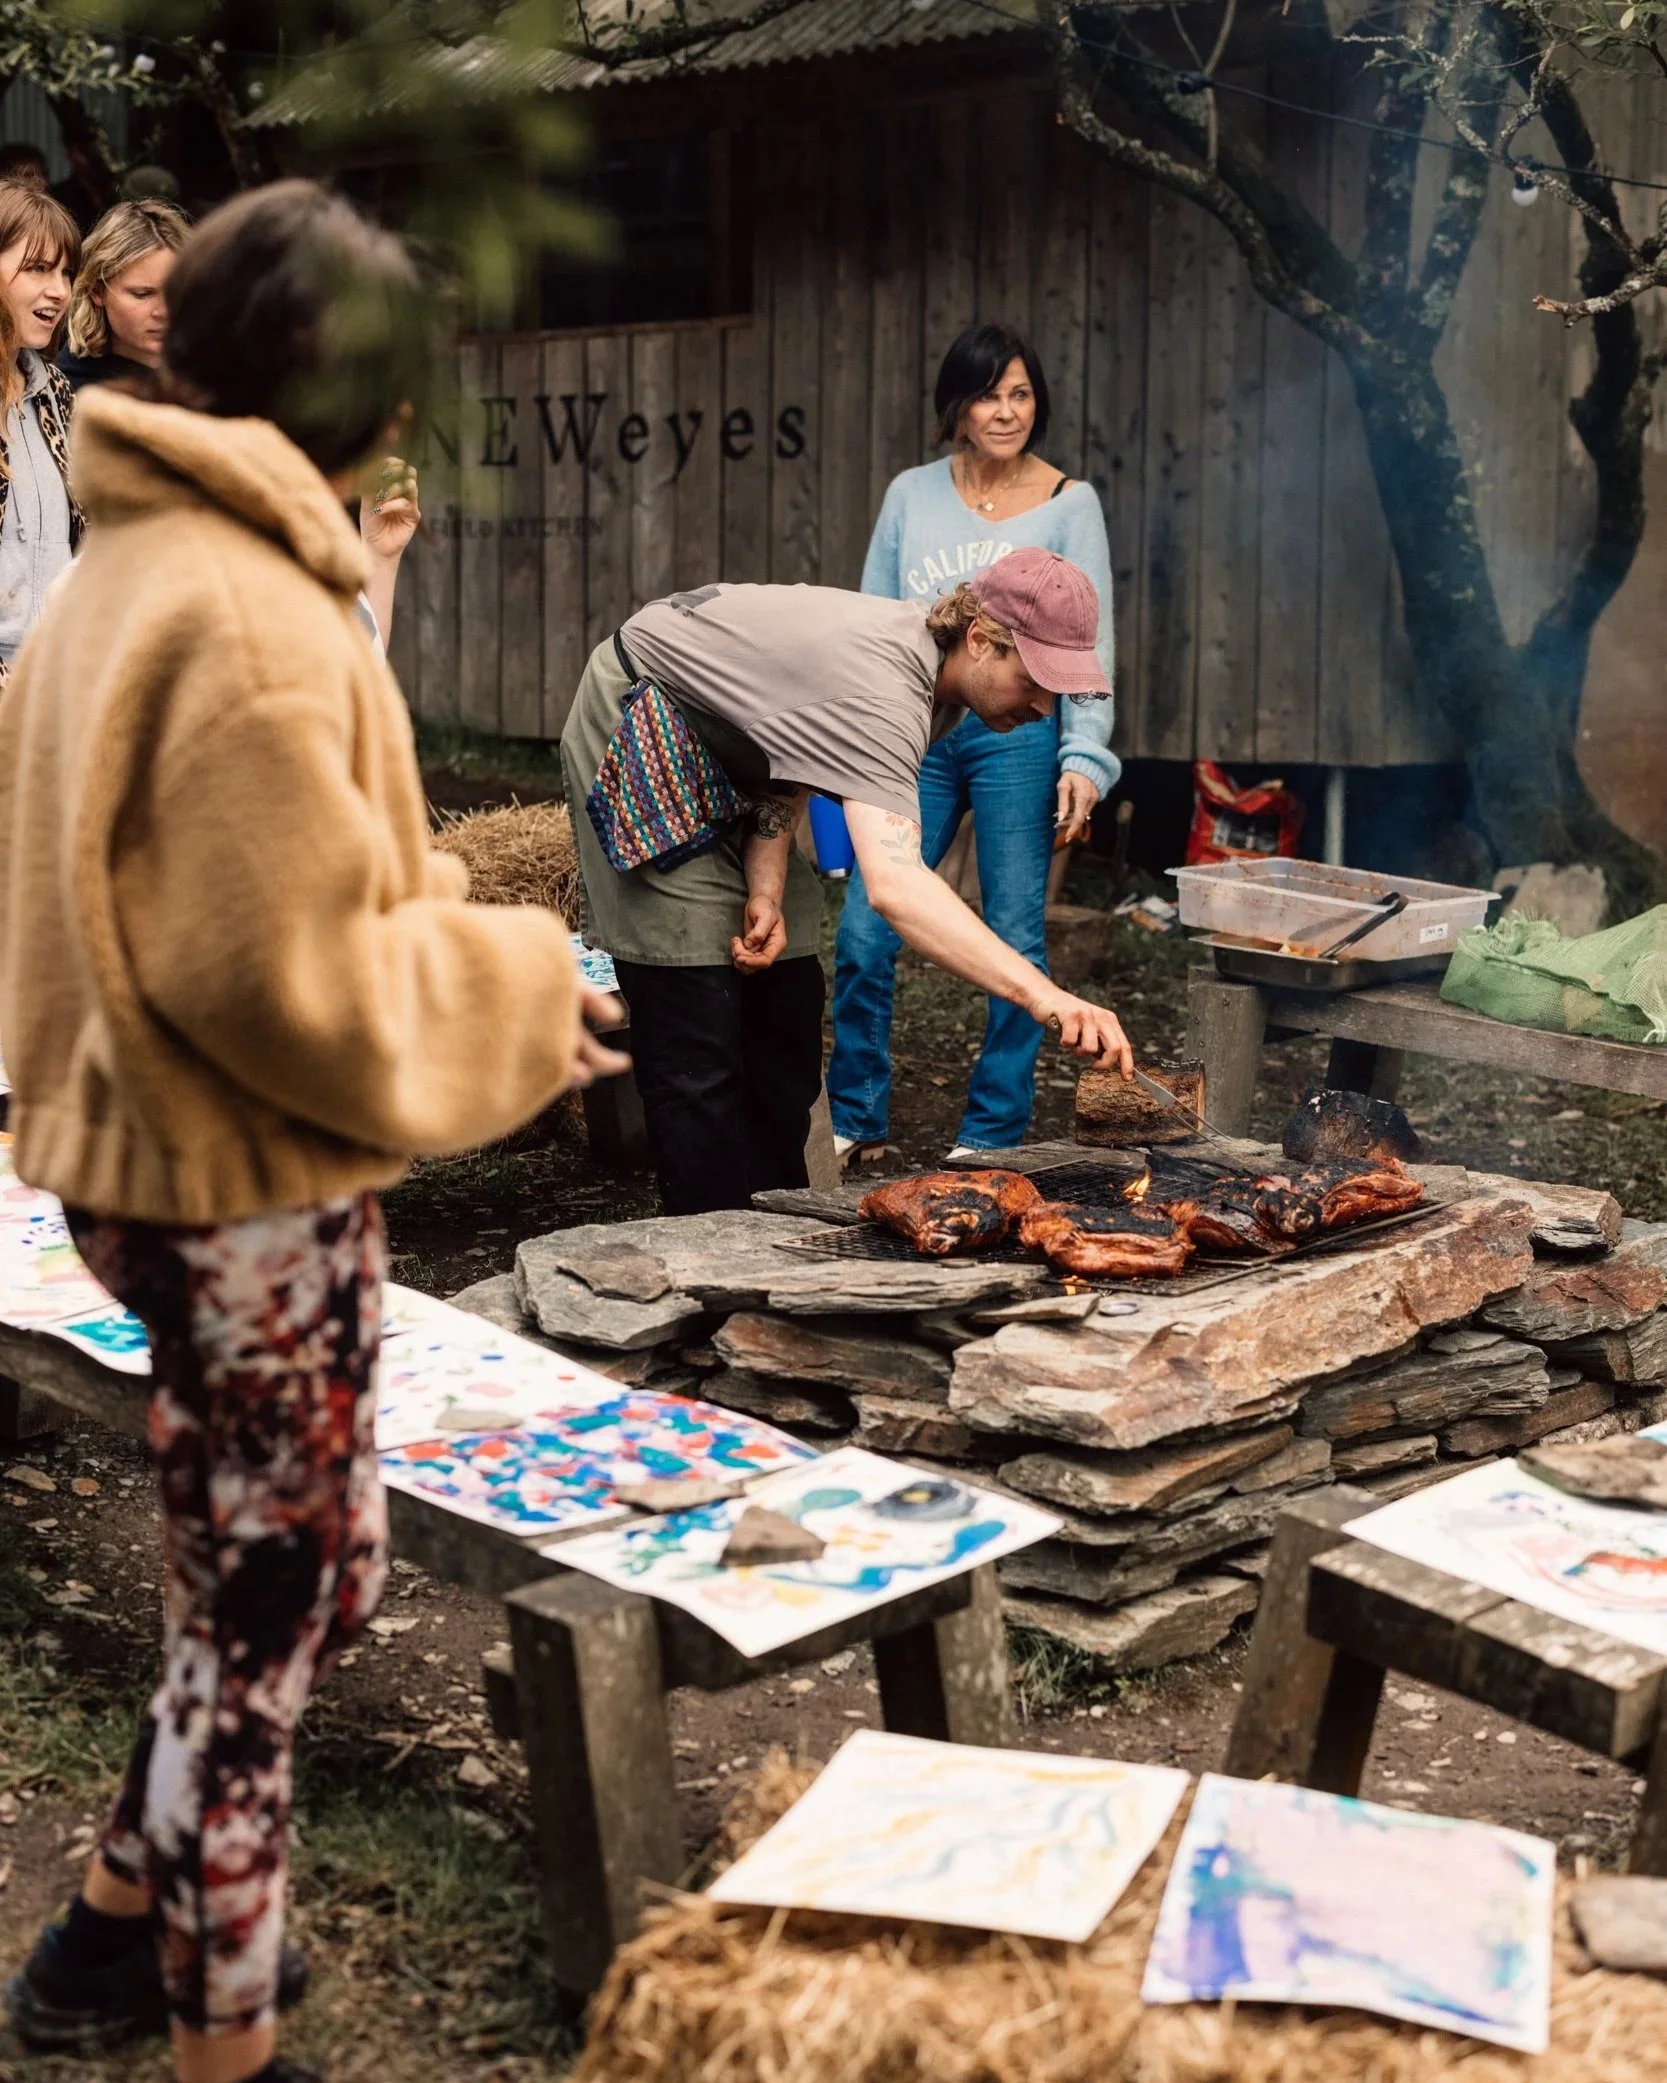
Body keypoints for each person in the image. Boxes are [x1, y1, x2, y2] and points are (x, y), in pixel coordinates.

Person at [0, 178, 622, 2083]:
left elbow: (241, 874)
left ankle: (106, 1933)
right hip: (234, 1183)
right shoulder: (248, 616)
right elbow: (284, 977)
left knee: (302, 1574)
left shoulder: (141, 561)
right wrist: (516, 980)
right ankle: (224, 2039)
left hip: (141, 1155)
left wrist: (433, 907)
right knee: (269, 1614)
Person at [561, 549, 1134, 1218]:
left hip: (736, 748)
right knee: (695, 1010)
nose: (1043, 705)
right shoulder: (887, 688)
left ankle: (773, 1224)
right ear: (979, 639)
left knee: (785, 1001)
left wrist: (766, 884)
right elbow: (895, 886)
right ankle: (706, 1239)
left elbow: (797, 743)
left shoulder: (939, 684)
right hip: (646, 715)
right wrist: (1044, 996)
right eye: (1033, 679)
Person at [827, 322, 1120, 1164]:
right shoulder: (909, 494)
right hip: (911, 731)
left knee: (1016, 932)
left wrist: (1083, 753)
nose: (1006, 411)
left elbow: (1090, 641)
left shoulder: (1070, 502)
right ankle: (854, 1115)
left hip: (1016, 737)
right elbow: (872, 615)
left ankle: (990, 1134)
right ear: (956, 406)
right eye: (988, 394)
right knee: (865, 929)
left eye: (1020, 393)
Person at [0, 184, 81, 677]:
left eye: (66, 272)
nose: (60, 291)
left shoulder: (55, 391)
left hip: (55, 689)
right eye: (37, 269)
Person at [60, 197, 189, 391]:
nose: (163, 311)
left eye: (174, 292)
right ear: (97, 290)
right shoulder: (64, 391)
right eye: (142, 294)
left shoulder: (212, 373)